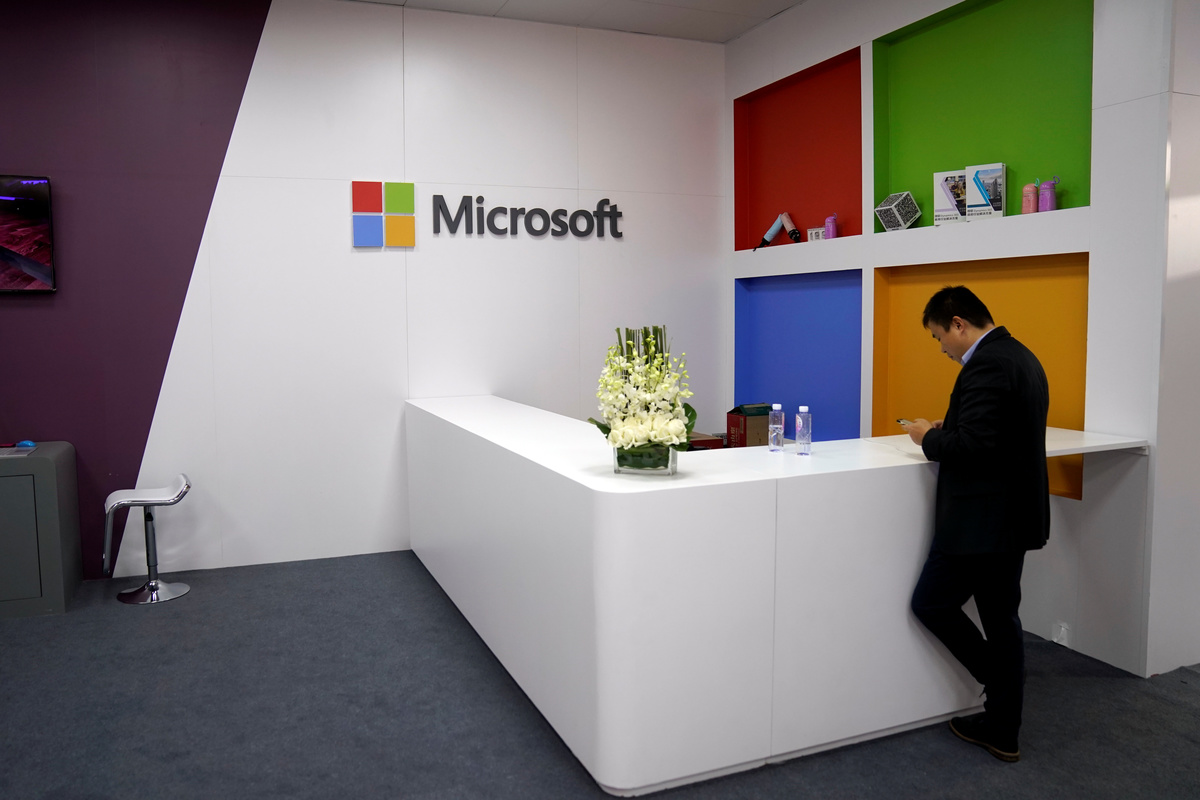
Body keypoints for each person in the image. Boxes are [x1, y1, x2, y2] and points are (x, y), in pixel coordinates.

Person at [902, 285, 1050, 763]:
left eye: (939, 336)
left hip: (981, 524)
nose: (941, 348)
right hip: (1011, 518)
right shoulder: (1022, 357)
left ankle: (1002, 690)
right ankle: (1003, 724)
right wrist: (951, 429)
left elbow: (976, 449)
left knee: (932, 603)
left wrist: (926, 438)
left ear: (958, 324)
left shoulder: (986, 365)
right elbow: (997, 435)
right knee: (1003, 620)